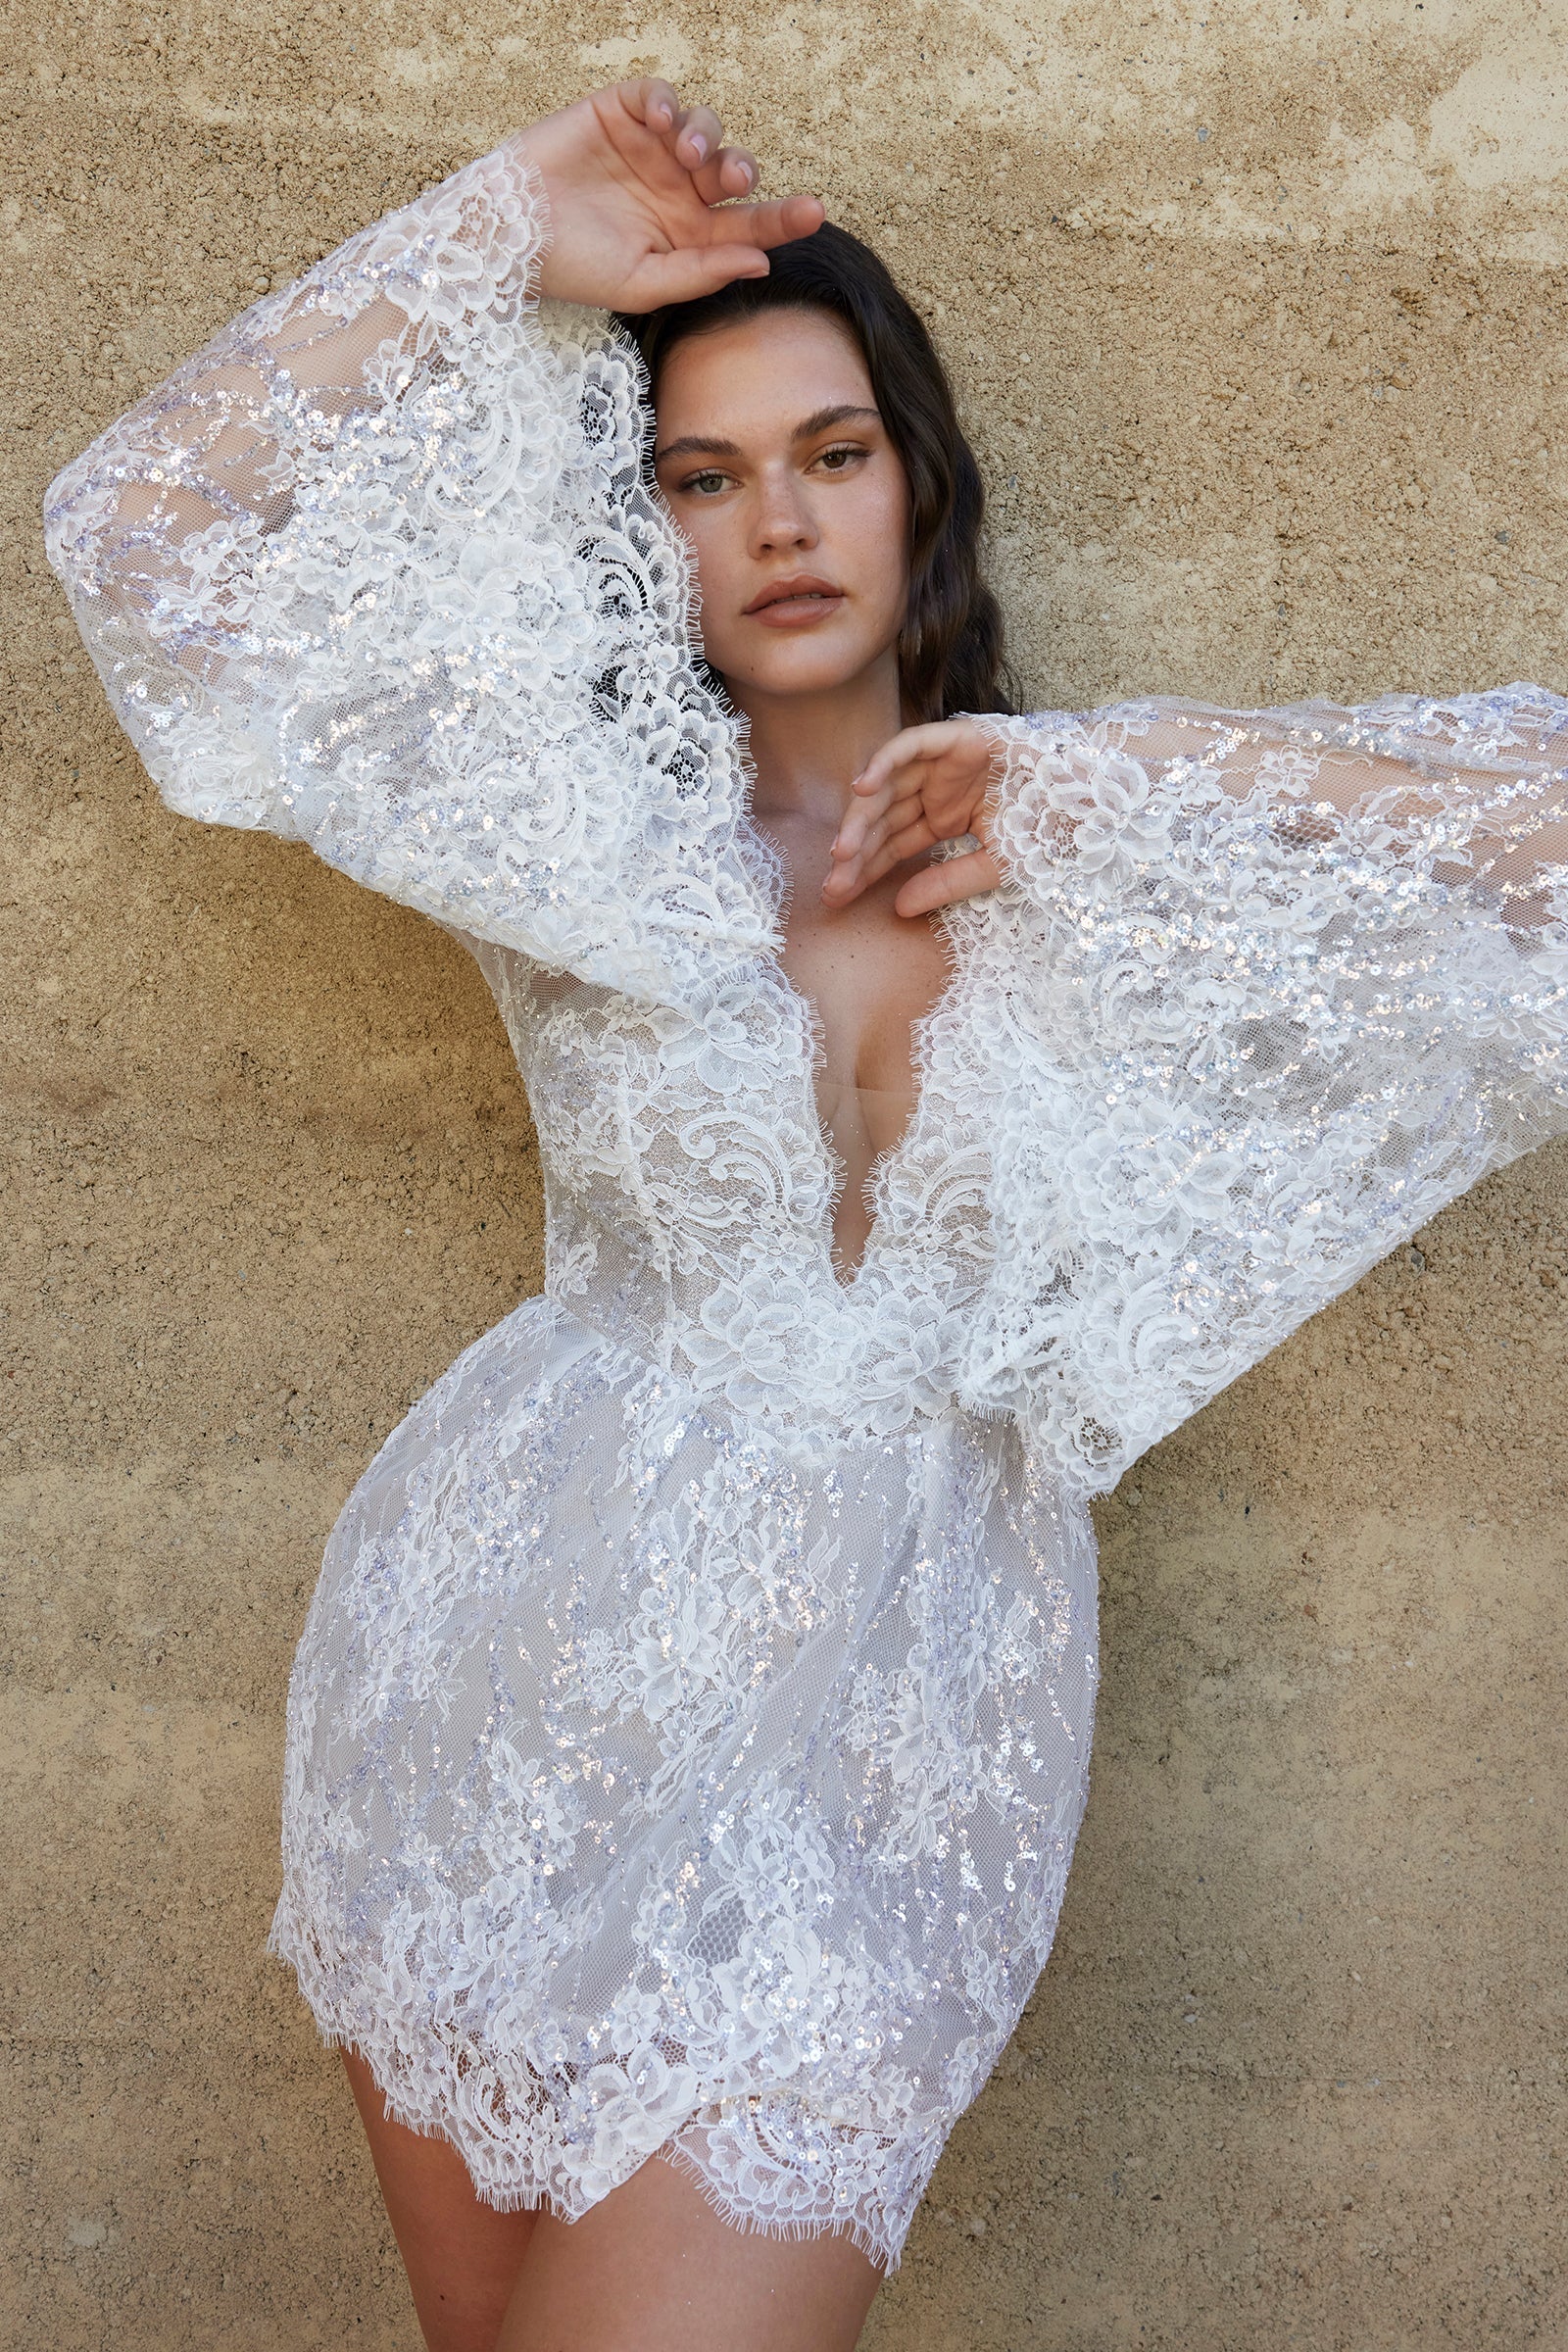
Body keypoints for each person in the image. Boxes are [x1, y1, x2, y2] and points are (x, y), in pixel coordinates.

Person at [43, 75, 1568, 2352]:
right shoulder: (584, 830)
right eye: (699, 474)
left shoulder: (1113, 867)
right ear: (636, 522)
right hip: (503, 1693)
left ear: (915, 481)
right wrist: (496, 227)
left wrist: (1122, 783)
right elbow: (146, 539)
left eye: (830, 454)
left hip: (881, 1771)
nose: (774, 520)